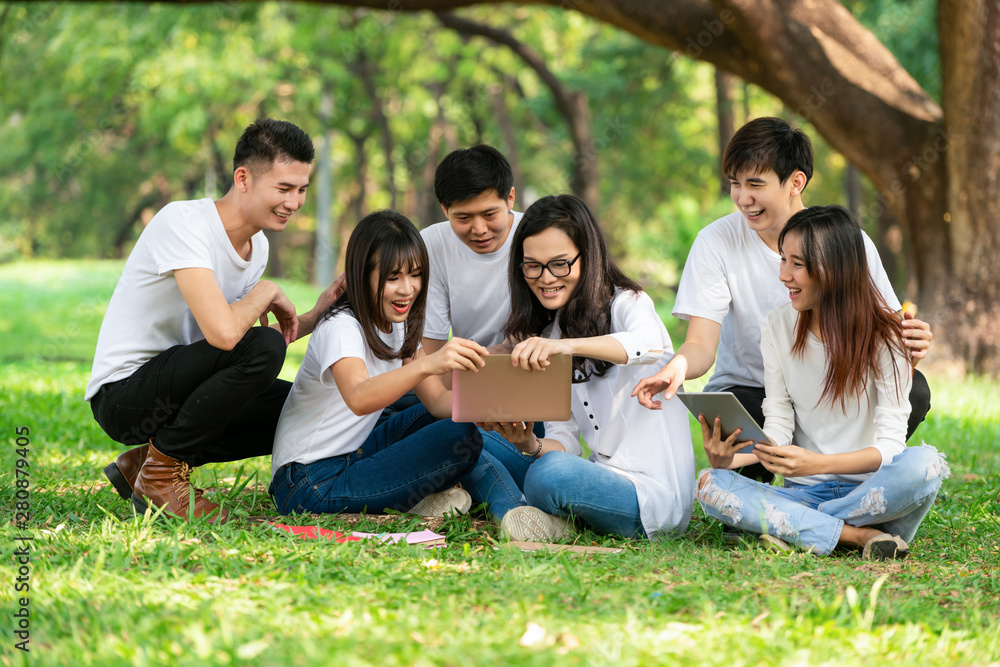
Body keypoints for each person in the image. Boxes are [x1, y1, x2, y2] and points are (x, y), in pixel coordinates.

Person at [632, 117, 933, 482]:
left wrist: (910, 348)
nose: (743, 199)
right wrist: (677, 366)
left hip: (830, 392)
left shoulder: (847, 242)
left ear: (796, 182)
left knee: (912, 389)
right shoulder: (716, 241)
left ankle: (839, 477)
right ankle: (801, 491)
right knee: (729, 489)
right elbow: (699, 343)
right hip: (755, 397)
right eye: (735, 184)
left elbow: (881, 336)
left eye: (755, 184)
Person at [88, 118, 344, 524]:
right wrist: (266, 291)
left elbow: (234, 348)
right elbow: (226, 335)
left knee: (298, 408)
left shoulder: (256, 246)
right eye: (283, 189)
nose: (294, 203)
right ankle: (161, 477)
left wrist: (317, 313)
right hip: (125, 395)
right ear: (243, 178)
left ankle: (143, 463)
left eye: (301, 190)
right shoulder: (184, 223)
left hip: (180, 383)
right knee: (266, 348)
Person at [695, 206, 948, 559]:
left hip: (870, 490)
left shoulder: (887, 334)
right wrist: (729, 462)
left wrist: (817, 464)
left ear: (835, 269)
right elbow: (779, 425)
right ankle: (860, 536)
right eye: (782, 260)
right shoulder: (777, 326)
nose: (783, 275)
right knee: (710, 484)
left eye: (796, 264)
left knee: (927, 466)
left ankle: (800, 527)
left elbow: (891, 446)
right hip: (804, 491)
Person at [478, 194, 695, 542]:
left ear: (587, 257)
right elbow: (565, 439)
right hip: (593, 476)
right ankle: (525, 518)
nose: (545, 278)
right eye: (532, 265)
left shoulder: (628, 303)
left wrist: (564, 347)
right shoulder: (552, 332)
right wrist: (528, 443)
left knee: (549, 475)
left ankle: (536, 514)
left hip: (650, 500)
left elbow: (649, 343)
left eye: (560, 263)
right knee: (476, 440)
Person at [269, 210, 487, 517]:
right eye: (392, 277)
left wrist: (496, 403)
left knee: (452, 416)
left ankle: (412, 496)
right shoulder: (341, 326)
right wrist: (430, 362)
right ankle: (412, 497)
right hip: (308, 484)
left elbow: (437, 401)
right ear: (361, 275)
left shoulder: (397, 323)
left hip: (354, 454)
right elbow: (359, 397)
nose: (407, 289)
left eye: (415, 274)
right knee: (459, 437)